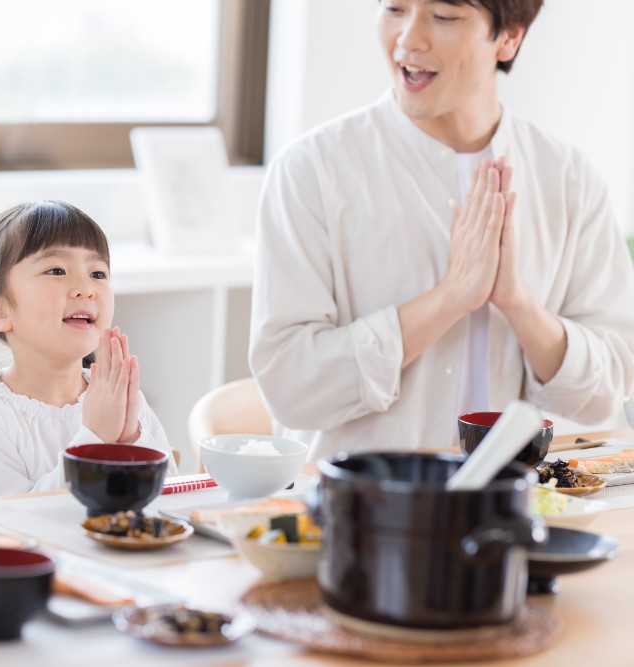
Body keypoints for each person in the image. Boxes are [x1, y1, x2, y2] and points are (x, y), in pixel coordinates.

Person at [250, 0, 634, 461]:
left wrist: (519, 304)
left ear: (510, 36)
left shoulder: (569, 179)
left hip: (515, 512)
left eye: (444, 17)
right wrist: (450, 298)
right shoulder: (311, 171)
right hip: (361, 512)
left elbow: (609, 393)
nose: (409, 38)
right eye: (394, 8)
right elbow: (289, 386)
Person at [0, 200, 176, 500]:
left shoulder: (122, 400)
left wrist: (130, 438)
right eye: (57, 270)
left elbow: (172, 501)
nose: (85, 288)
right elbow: (11, 524)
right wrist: (95, 438)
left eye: (98, 274)